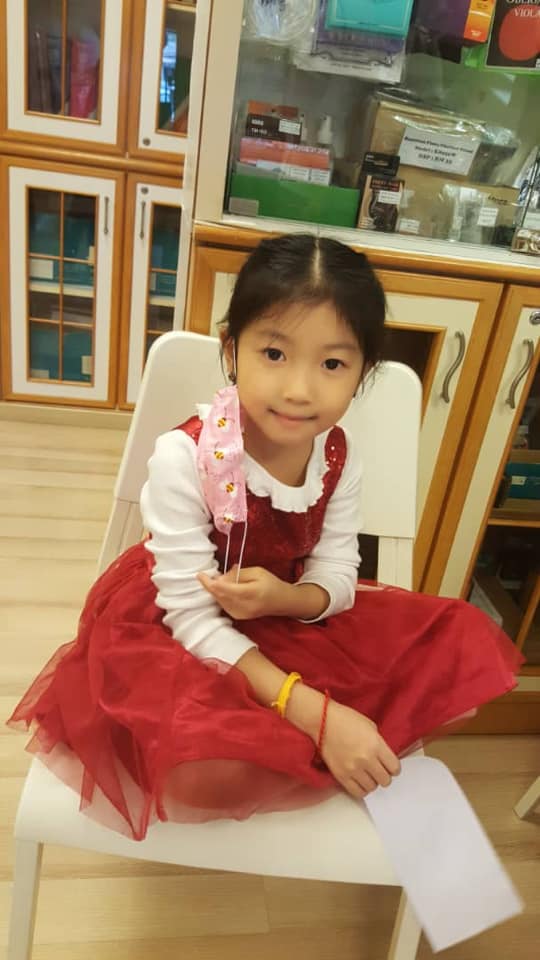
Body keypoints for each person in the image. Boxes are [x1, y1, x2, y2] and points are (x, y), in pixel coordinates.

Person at [8, 234, 522, 840]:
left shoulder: (338, 457)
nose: (300, 389)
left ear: (362, 372)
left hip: (285, 614)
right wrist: (320, 716)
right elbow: (192, 619)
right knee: (208, 770)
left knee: (463, 643)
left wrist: (287, 598)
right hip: (179, 630)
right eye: (274, 353)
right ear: (233, 349)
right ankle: (320, 748)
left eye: (332, 364)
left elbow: (339, 574)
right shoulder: (184, 456)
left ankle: (330, 753)